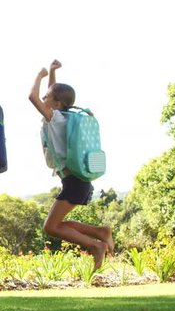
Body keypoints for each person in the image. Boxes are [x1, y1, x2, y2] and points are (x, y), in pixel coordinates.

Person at [28, 60, 114, 271]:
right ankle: (100, 233)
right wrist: (52, 73)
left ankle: (96, 244)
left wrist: (39, 75)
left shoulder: (54, 118)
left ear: (56, 104)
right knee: (58, 225)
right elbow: (53, 93)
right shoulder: (65, 116)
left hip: (74, 183)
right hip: (77, 181)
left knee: (51, 227)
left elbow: (32, 97)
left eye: (47, 98)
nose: (44, 99)